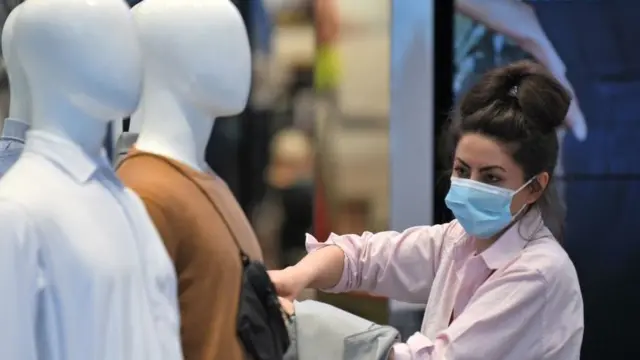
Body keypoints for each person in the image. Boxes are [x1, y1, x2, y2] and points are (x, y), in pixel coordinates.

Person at [269, 60, 584, 359]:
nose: (469, 185)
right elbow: (363, 259)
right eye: (462, 171)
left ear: (534, 186)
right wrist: (294, 276)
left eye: (490, 177)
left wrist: (302, 323)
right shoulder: (459, 240)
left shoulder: (538, 275)